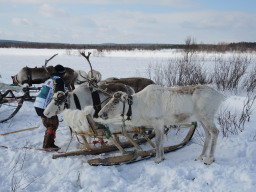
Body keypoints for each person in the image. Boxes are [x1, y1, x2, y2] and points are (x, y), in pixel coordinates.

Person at [34, 64, 66, 151]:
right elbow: (60, 95)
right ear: (62, 73)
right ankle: (47, 145)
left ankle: (49, 142)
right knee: (53, 124)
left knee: (51, 124)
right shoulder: (59, 80)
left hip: (38, 104)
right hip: (45, 106)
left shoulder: (50, 79)